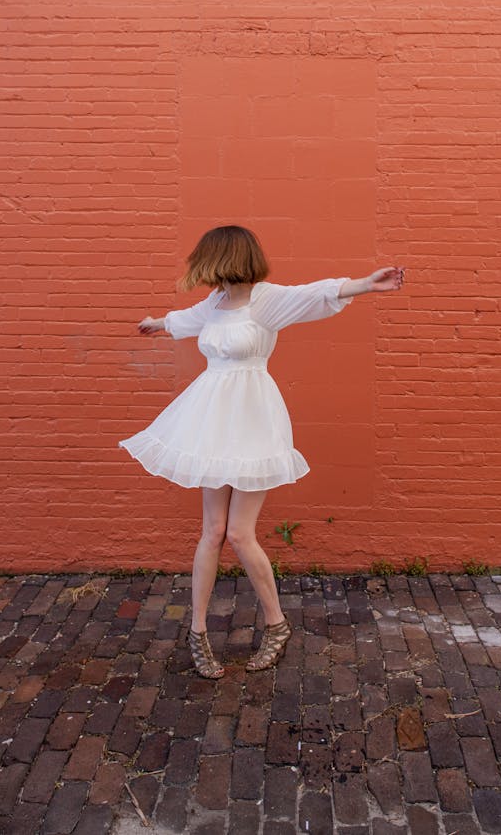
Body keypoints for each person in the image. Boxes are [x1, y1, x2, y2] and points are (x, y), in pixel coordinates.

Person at [119, 224, 404, 679]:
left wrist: (366, 285)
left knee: (239, 533)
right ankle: (197, 632)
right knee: (212, 530)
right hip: (211, 419)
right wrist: (159, 323)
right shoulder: (215, 303)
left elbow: (314, 293)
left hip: (252, 419)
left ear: (224, 258)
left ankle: (276, 624)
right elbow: (188, 319)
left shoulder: (264, 300)